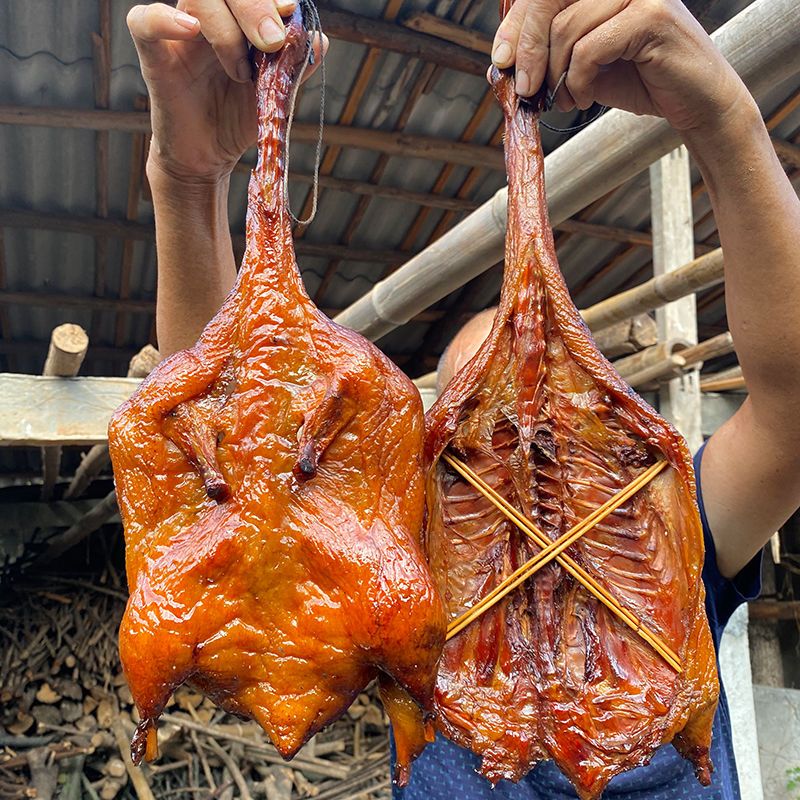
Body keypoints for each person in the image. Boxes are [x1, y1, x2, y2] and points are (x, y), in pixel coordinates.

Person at [127, 0, 800, 797]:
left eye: (555, 407)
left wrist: (723, 113)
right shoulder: (403, 570)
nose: (519, 417)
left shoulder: (678, 513)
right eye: (472, 412)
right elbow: (236, 459)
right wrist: (188, 178)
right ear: (430, 462)